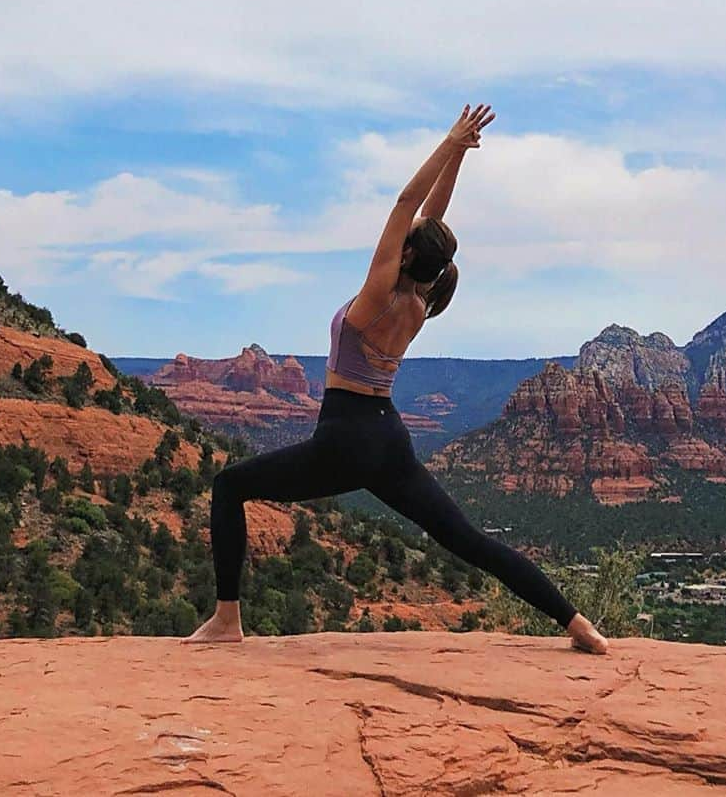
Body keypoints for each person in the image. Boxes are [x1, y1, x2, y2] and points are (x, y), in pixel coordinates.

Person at [186, 104, 608, 653]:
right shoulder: (421, 298)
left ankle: (226, 619)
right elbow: (431, 219)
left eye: (405, 239)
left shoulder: (377, 296)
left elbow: (409, 204)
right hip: (390, 439)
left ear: (405, 252)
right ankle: (578, 625)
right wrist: (458, 153)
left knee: (230, 485)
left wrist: (447, 139)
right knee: (468, 540)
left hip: (344, 437)